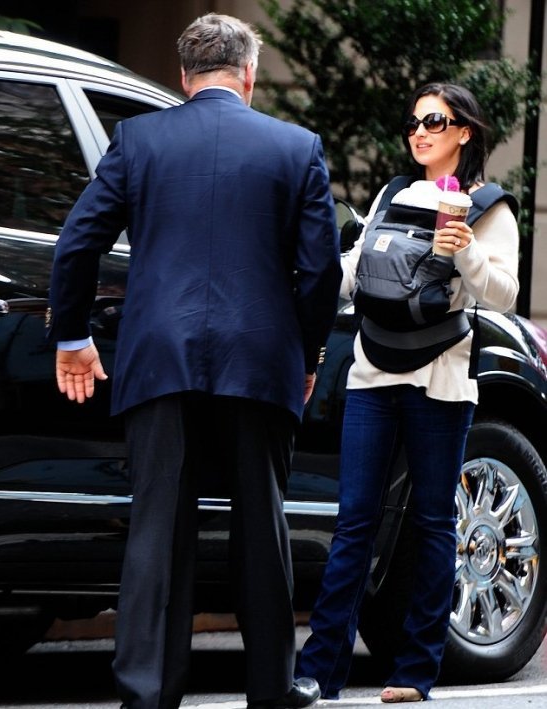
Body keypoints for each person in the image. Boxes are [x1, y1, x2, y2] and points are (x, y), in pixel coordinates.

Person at [46, 13, 342, 709]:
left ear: (183, 77)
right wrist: (305, 354)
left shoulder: (137, 140)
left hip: (160, 361)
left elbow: (77, 242)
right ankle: (271, 686)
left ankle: (148, 693)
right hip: (260, 362)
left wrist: (73, 337)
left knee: (158, 529)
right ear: (249, 73)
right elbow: (321, 272)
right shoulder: (296, 147)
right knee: (261, 525)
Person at [296, 82, 519, 703]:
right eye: (414, 122)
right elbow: (355, 272)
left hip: (440, 378)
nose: (419, 132)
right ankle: (321, 669)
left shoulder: (489, 206)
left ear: (464, 131)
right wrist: (307, 280)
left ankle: (416, 671)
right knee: (354, 523)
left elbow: (503, 295)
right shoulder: (394, 193)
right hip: (372, 372)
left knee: (432, 523)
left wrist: (466, 250)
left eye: (434, 122)